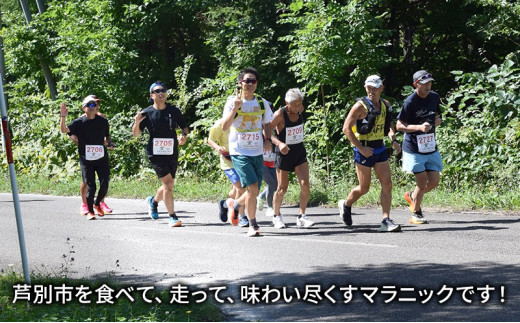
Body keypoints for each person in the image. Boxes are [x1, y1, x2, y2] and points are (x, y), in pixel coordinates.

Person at [339, 75, 402, 232]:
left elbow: (388, 126)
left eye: (374, 88)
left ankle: (385, 219)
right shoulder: (359, 107)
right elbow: (346, 128)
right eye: (368, 88)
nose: (371, 91)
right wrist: (360, 148)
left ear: (381, 88)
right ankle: (346, 205)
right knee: (364, 188)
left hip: (379, 148)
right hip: (364, 149)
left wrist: (394, 140)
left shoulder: (385, 105)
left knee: (387, 184)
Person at [221, 67, 274, 237]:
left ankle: (234, 205)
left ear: (256, 84)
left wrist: (267, 140)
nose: (250, 84)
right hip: (239, 151)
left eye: (253, 81)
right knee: (252, 188)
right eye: (246, 81)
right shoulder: (232, 102)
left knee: (255, 191)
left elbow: (268, 124)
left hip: (257, 151)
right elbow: (224, 127)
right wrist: (235, 109)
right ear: (240, 83)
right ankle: (253, 224)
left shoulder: (261, 103)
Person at [132, 81, 189, 228]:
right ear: (152, 95)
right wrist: (137, 122)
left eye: (163, 90)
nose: (161, 93)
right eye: (157, 91)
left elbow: (184, 127)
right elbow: (135, 134)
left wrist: (183, 135)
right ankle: (172, 217)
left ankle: (153, 202)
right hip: (155, 153)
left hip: (171, 151)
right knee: (168, 184)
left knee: (168, 184)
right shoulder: (147, 113)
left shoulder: (173, 110)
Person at [396, 70, 443, 224]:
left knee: (434, 182)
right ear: (416, 84)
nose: (427, 86)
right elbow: (399, 125)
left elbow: (437, 115)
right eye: (424, 84)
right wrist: (419, 127)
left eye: (429, 83)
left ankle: (412, 196)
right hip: (414, 147)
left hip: (430, 146)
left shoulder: (435, 97)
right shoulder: (410, 102)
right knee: (422, 183)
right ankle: (416, 213)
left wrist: (437, 120)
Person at [60, 95, 115, 220]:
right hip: (86, 159)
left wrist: (110, 143)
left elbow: (107, 137)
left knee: (105, 183)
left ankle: (97, 203)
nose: (92, 107)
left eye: (94, 105)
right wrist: (63, 117)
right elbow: (64, 130)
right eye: (89, 105)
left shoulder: (103, 121)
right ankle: (90, 211)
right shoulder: (79, 122)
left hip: (101, 158)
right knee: (91, 186)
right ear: (84, 108)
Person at [269, 88, 314, 228]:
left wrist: (300, 107)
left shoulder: (300, 110)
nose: (298, 107)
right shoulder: (280, 114)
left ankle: (302, 216)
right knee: (282, 188)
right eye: (295, 104)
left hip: (299, 152)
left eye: (300, 104)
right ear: (287, 103)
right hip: (284, 153)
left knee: (305, 184)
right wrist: (279, 143)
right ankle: (276, 216)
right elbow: (266, 131)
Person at [207, 118, 248, 227]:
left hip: (243, 158)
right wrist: (218, 148)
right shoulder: (220, 123)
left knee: (236, 190)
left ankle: (225, 204)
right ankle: (242, 215)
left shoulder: (244, 119)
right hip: (228, 161)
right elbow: (210, 140)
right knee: (241, 188)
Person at [256, 138, 277, 218]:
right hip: (263, 163)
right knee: (271, 184)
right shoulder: (259, 132)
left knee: (276, 186)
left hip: (273, 162)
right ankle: (270, 207)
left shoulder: (275, 133)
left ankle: (261, 196)